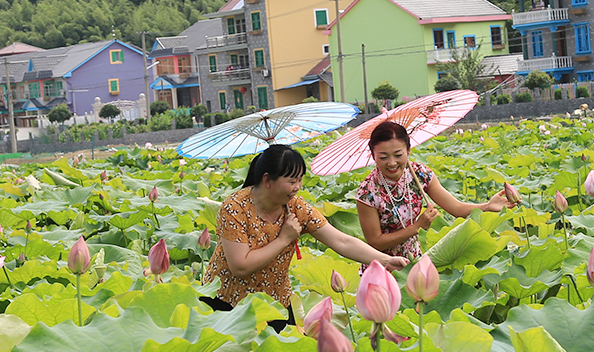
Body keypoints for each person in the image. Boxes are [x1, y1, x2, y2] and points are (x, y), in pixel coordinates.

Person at [203, 143, 405, 326]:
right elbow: (240, 266)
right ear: (267, 180)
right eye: (292, 181)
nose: (297, 187)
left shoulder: (296, 208)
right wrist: (284, 239)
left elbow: (341, 241)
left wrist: (384, 260)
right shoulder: (235, 208)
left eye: (300, 180)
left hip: (275, 301)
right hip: (228, 303)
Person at [354, 120, 515, 261]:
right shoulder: (367, 192)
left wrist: (487, 206)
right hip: (381, 266)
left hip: (414, 261)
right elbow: (375, 241)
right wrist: (417, 226)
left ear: (408, 150)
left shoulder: (420, 174)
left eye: (398, 155)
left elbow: (457, 208)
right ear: (373, 155)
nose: (392, 163)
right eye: (383, 157)